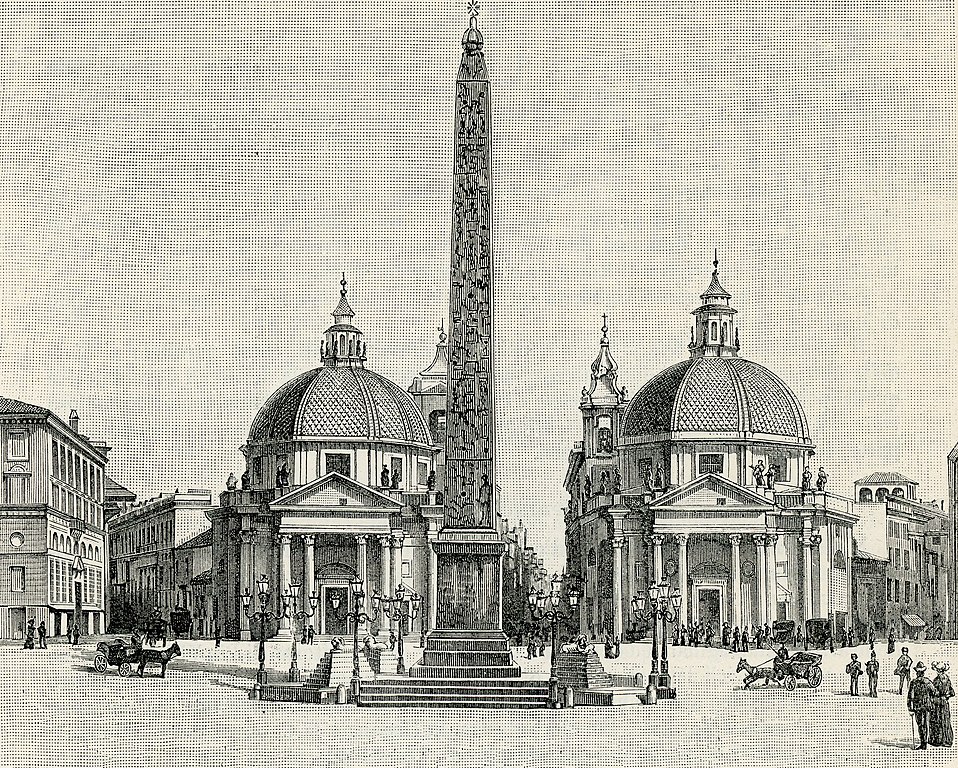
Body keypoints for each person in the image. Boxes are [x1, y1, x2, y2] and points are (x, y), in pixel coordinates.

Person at [908, 662, 937, 749]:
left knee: (920, 724)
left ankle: (923, 742)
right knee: (926, 724)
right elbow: (934, 692)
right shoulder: (927, 682)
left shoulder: (913, 682)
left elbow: (910, 697)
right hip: (927, 706)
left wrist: (910, 708)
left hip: (917, 707)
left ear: (917, 673)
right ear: (923, 672)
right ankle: (924, 743)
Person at [930, 661, 954, 747]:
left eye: (936, 670)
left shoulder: (937, 680)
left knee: (937, 720)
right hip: (945, 702)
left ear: (939, 670)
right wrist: (946, 696)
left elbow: (934, 692)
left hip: (938, 702)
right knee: (946, 720)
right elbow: (952, 693)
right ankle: (947, 741)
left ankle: (938, 740)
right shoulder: (948, 679)